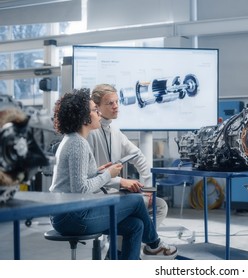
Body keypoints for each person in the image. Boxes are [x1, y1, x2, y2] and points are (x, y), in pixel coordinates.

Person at [49, 89, 177, 260]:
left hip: (68, 215)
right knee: (137, 200)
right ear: (83, 116)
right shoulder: (77, 144)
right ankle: (154, 245)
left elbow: (82, 179)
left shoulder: (73, 139)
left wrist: (100, 172)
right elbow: (80, 188)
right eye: (95, 110)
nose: (99, 113)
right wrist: (108, 174)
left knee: (136, 225)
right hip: (73, 218)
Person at [86, 84, 168, 228]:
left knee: (158, 205)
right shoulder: (91, 133)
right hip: (97, 196)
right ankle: (150, 244)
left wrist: (148, 188)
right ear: (96, 106)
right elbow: (89, 175)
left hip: (113, 193)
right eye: (110, 103)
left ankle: (127, 248)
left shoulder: (114, 131)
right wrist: (120, 182)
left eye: (117, 102)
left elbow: (138, 157)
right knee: (155, 207)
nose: (116, 106)